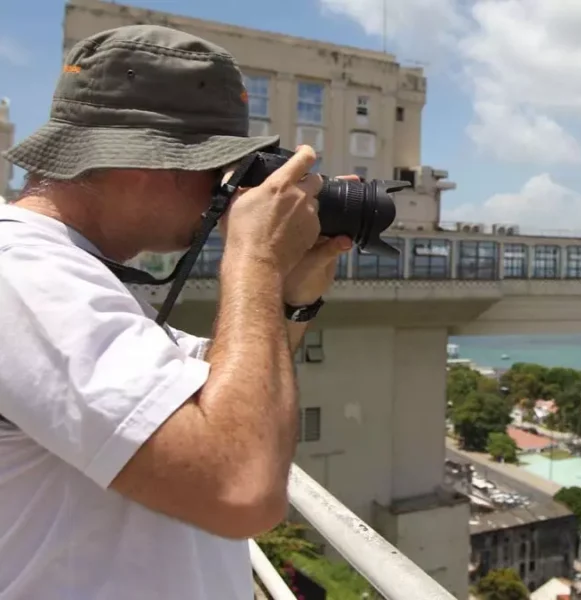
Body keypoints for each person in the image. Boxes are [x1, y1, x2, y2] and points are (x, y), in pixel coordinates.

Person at [0, 25, 354, 599]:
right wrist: (255, 262)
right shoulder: (24, 275)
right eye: (216, 171)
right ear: (140, 162)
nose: (225, 197)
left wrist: (292, 296)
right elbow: (239, 487)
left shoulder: (75, 273)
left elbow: (227, 396)